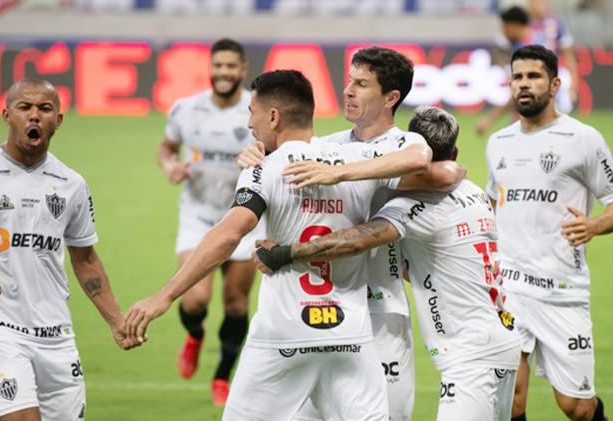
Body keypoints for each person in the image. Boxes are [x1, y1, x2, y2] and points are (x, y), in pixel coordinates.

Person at [123, 69, 465, 420]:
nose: (250, 124)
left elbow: (228, 234)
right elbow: (445, 173)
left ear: (274, 116)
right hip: (350, 337)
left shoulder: (265, 168)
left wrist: (163, 297)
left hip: (283, 336)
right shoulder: (356, 162)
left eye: (253, 113)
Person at [236, 46, 464, 421]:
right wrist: (250, 155)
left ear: (391, 97)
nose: (348, 91)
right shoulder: (329, 145)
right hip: (325, 308)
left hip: (381, 309)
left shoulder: (401, 144)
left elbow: (444, 170)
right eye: (348, 81)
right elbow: (275, 160)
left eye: (361, 84)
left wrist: (340, 173)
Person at [254, 105, 522, 421]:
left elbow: (356, 240)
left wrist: (285, 254)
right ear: (456, 150)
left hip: (470, 351)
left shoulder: (419, 205)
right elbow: (428, 263)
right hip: (501, 336)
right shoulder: (474, 192)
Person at [0, 78, 136, 421]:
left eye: (45, 109)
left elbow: (86, 258)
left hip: (55, 332)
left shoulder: (71, 184)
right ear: (6, 115)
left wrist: (116, 320)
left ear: (58, 121)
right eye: (24, 107)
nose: (35, 116)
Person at [485, 45, 612, 421]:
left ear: (555, 84)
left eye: (534, 76)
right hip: (509, 288)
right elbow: (494, 205)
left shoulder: (583, 139)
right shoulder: (498, 143)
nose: (524, 85)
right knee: (511, 403)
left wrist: (593, 226)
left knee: (577, 407)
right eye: (518, 77)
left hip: (561, 290)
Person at [157, 38, 262, 405]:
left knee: (235, 303)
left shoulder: (257, 110)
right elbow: (167, 148)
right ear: (211, 67)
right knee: (195, 300)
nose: (224, 73)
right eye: (218, 66)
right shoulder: (186, 110)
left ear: (243, 69)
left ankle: (221, 376)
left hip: (243, 216)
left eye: (231, 66)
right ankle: (196, 334)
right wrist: (170, 166)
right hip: (198, 215)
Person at [477, 1, 578, 135]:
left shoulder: (527, 51)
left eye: (505, 27)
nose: (504, 31)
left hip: (545, 104)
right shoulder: (528, 40)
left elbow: (518, 94)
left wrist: (489, 120)